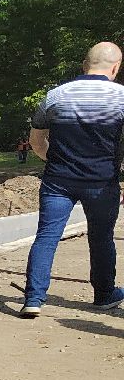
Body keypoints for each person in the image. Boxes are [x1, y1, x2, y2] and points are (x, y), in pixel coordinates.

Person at [19, 41, 124, 318]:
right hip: (102, 183)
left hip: (58, 181)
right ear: (116, 67)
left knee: (46, 236)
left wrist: (54, 160)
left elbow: (36, 141)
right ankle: (104, 295)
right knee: (101, 238)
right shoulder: (121, 98)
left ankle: (33, 298)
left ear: (83, 65)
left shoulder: (55, 96)